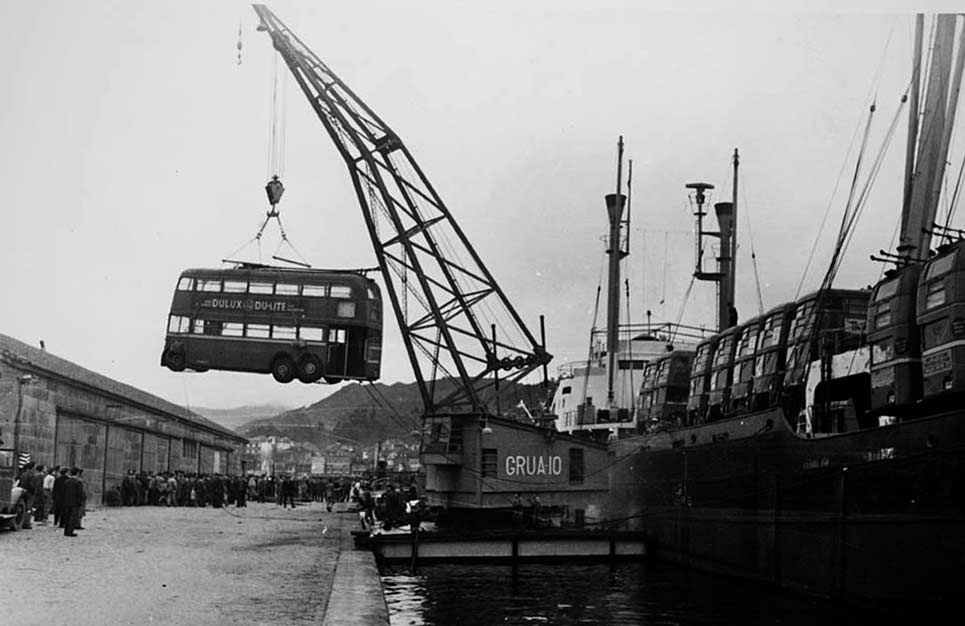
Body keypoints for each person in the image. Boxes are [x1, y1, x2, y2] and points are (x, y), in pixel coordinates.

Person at [62, 467, 84, 537]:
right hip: (75, 502)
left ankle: (66, 531)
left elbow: (63, 492)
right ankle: (70, 531)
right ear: (77, 473)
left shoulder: (66, 482)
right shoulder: (78, 482)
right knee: (73, 517)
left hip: (67, 501)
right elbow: (80, 493)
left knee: (67, 517)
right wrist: (80, 501)